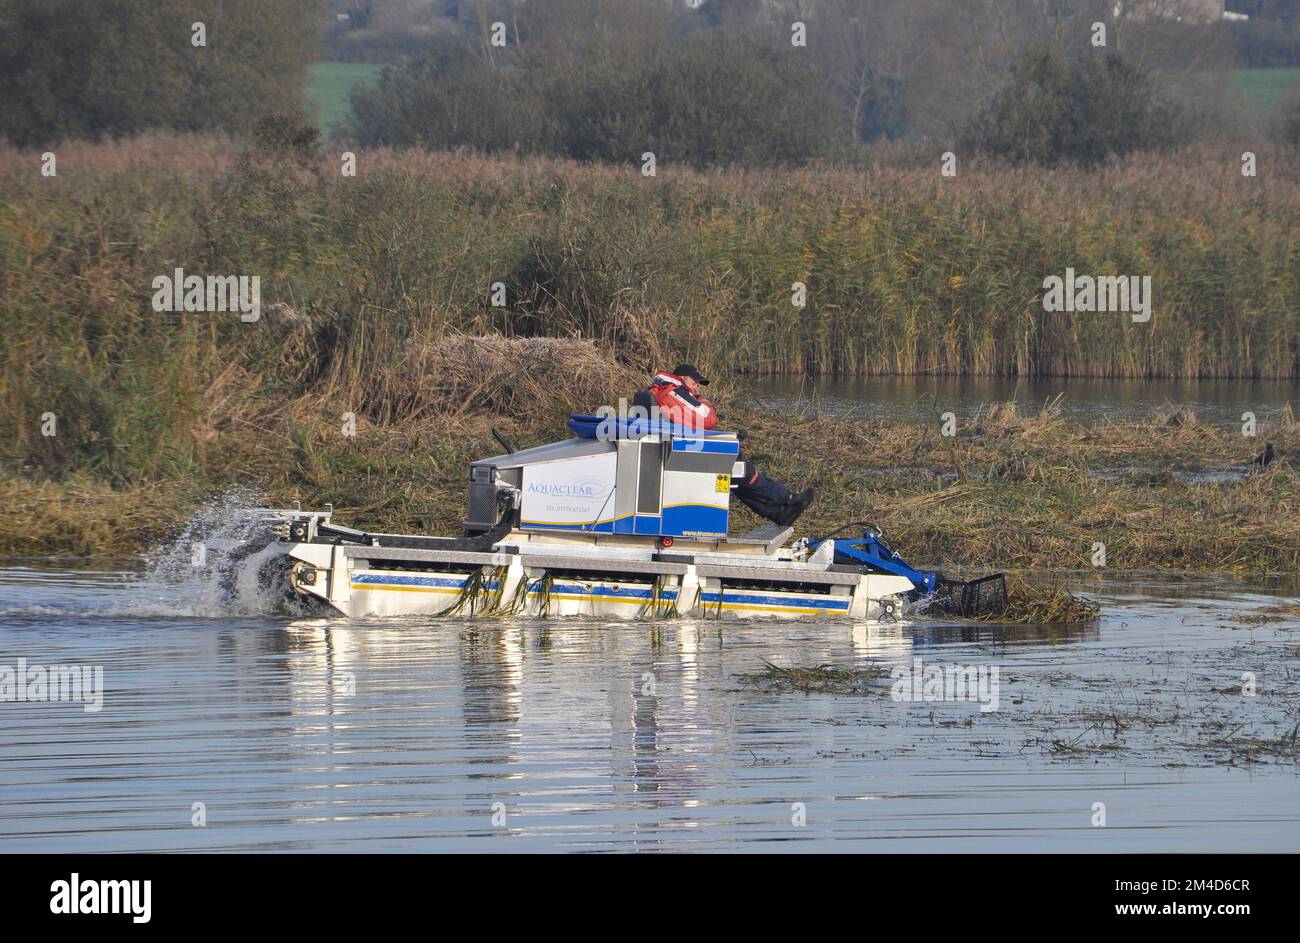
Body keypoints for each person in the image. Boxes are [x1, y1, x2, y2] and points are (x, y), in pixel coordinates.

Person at [636, 364, 815, 527]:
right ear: (682, 379)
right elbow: (707, 418)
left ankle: (780, 512)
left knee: (737, 471)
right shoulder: (672, 391)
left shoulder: (663, 391)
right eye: (695, 382)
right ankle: (787, 500)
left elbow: (687, 426)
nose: (697, 387)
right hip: (679, 456)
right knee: (743, 470)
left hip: (676, 451)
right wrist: (702, 401)